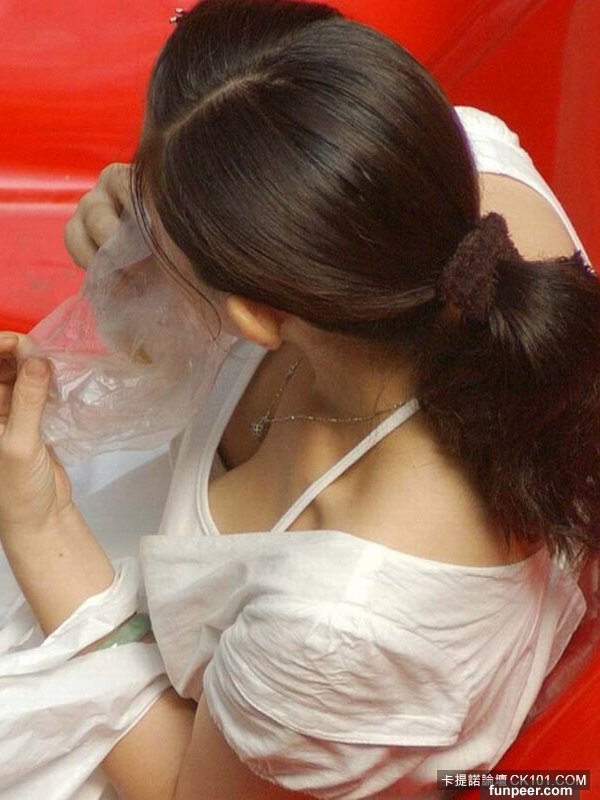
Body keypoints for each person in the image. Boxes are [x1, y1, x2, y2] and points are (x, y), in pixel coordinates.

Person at [0, 1, 599, 798]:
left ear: (260, 315)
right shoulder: (452, 170)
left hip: (151, 722)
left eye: (161, 221)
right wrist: (148, 236)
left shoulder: (343, 626)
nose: (134, 205)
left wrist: (38, 523)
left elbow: (189, 791)